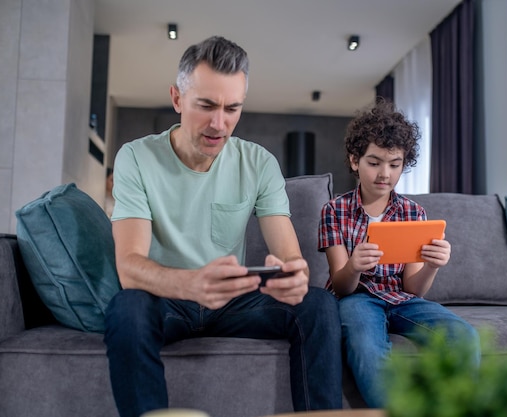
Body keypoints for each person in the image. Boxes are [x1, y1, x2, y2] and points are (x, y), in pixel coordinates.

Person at [104, 36, 342, 417]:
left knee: (318, 305)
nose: (220, 123)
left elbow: (289, 256)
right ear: (177, 98)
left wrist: (294, 276)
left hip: (234, 303)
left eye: (233, 108)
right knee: (126, 308)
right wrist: (190, 283)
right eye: (207, 106)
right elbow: (129, 265)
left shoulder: (258, 163)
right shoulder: (136, 157)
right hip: (168, 300)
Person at [318, 99, 480, 408]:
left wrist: (432, 265)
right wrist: (353, 266)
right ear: (355, 161)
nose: (385, 174)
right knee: (366, 347)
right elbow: (340, 286)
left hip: (401, 299)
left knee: (463, 337)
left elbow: (413, 289)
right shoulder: (334, 210)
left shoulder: (411, 211)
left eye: (395, 164)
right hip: (356, 298)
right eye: (374, 162)